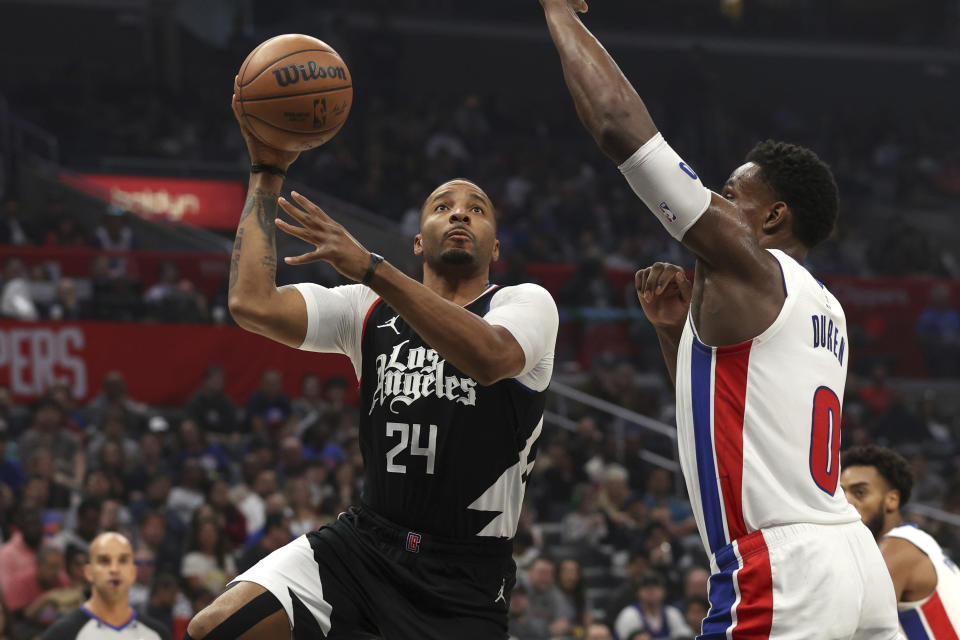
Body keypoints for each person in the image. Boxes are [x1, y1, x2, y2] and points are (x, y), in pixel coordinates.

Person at [538, 1, 900, 637]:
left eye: (732, 196)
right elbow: (737, 414)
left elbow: (619, 127)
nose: (719, 206)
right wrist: (676, 334)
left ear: (771, 219)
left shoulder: (754, 264)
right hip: (852, 559)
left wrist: (556, 9)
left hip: (782, 565)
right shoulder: (826, 305)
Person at [185, 90, 559, 640]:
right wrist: (267, 173)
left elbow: (489, 357)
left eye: (476, 208)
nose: (459, 212)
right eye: (442, 205)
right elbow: (252, 304)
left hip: (465, 577)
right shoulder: (366, 309)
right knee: (215, 628)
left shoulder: (524, 303)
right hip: (365, 546)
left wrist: (369, 266)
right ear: (417, 240)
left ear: (495, 247)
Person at [841, 446, 960, 637]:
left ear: (892, 500)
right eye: (841, 493)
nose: (846, 502)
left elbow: (849, 629)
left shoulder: (897, 547)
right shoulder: (917, 540)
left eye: (860, 493)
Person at [42, 532, 169, 640]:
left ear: (133, 572)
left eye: (123, 560)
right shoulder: (61, 634)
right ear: (88, 572)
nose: (114, 569)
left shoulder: (158, 634)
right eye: (104, 561)